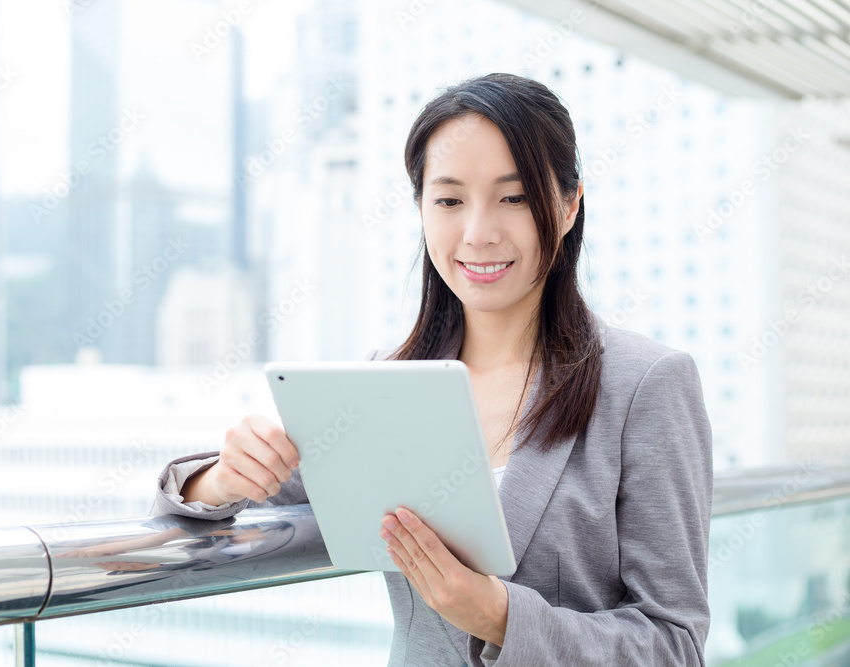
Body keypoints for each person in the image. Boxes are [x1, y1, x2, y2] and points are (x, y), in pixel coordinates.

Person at [151, 72, 713, 666]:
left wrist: (499, 618)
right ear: (421, 208)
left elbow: (675, 643)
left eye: (514, 197)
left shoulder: (648, 385)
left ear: (570, 203)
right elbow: (202, 516)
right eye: (449, 200)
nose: (478, 232)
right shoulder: (384, 380)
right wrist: (223, 477)